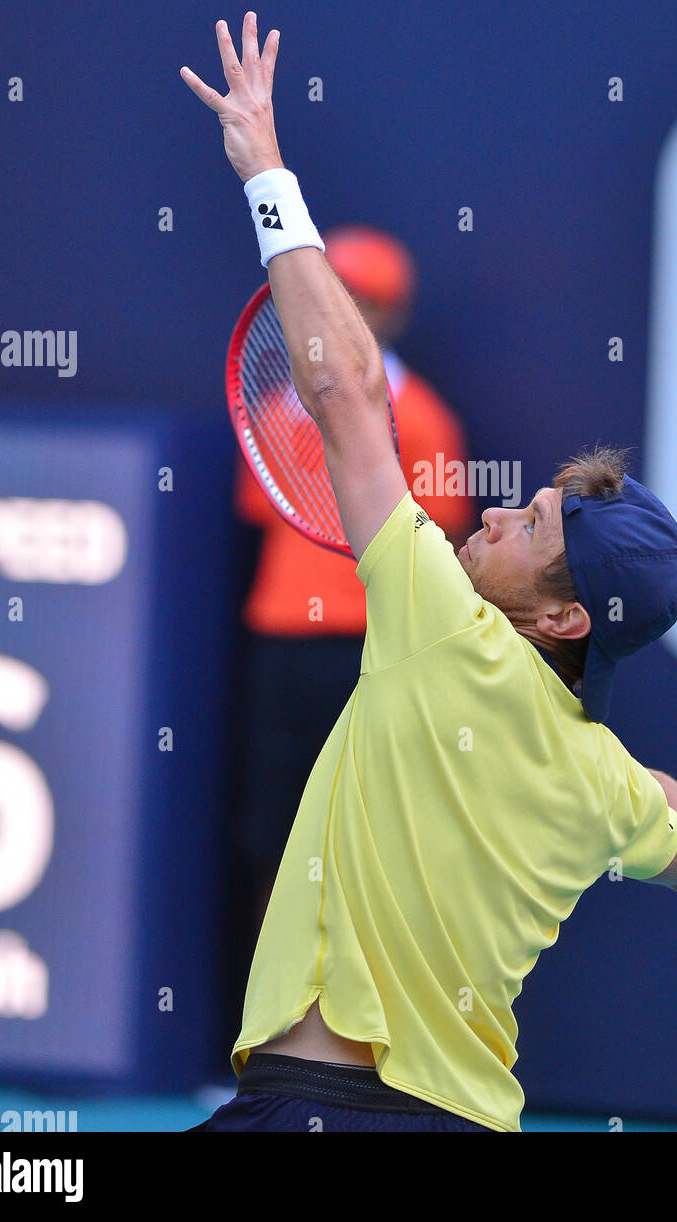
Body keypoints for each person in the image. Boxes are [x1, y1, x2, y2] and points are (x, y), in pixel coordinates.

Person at [181, 13, 677, 1133]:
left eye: (528, 525)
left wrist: (266, 171)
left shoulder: (444, 624)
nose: (498, 514)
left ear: (562, 613)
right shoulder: (601, 783)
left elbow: (342, 398)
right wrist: (635, 792)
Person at [233, 226, 473, 933]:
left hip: (370, 657)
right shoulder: (278, 408)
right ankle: (269, 1035)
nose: (343, 313)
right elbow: (261, 510)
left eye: (364, 300)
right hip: (279, 648)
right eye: (333, 294)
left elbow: (443, 544)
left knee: (364, 850)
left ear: (390, 317)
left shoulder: (425, 420)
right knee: (271, 837)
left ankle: (353, 1035)